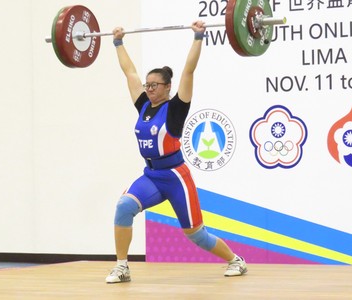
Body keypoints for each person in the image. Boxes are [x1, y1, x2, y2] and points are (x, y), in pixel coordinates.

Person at [106, 21, 247, 284]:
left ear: (167, 87)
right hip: (151, 175)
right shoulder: (144, 106)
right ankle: (122, 266)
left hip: (175, 177)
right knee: (124, 206)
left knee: (196, 235)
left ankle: (235, 260)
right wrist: (118, 42)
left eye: (154, 85)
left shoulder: (176, 108)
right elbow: (130, 73)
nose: (149, 89)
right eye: (147, 85)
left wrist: (198, 36)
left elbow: (189, 71)